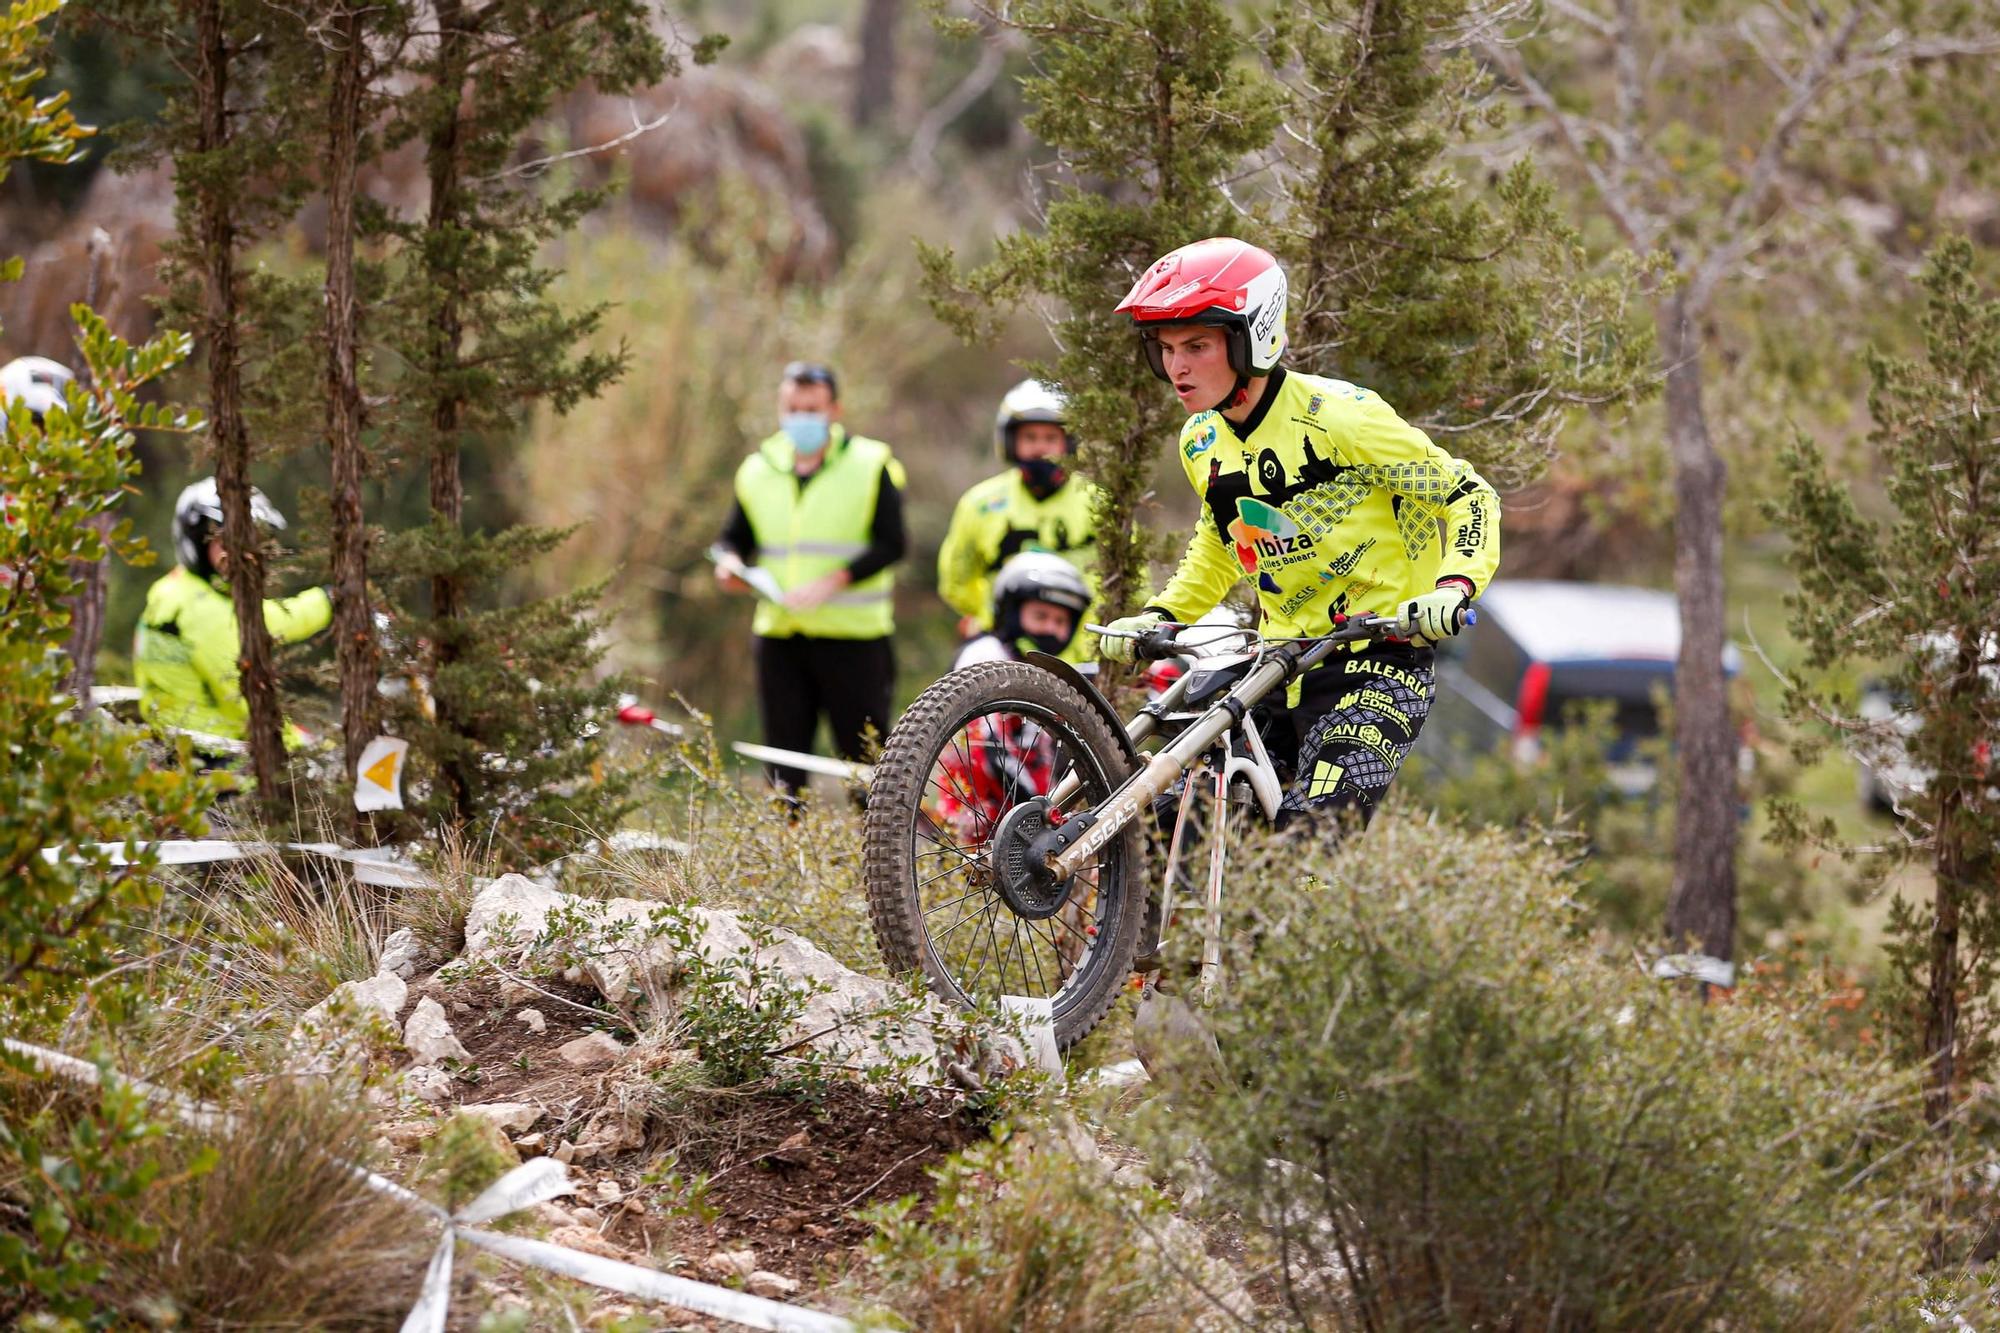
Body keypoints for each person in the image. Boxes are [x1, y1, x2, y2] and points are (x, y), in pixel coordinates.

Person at [1097, 237, 1501, 826]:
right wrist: (1162, 616)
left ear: (1249, 338)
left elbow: (1467, 495)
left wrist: (1453, 587)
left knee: (1312, 840)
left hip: (1378, 660)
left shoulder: (1344, 417)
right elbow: (1222, 543)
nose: (1176, 368)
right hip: (1276, 663)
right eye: (1164, 350)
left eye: (1197, 346)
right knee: (1169, 825)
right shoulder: (1201, 441)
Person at [715, 361, 907, 795]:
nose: (802, 418)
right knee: (783, 764)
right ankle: (787, 855)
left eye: (812, 409)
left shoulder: (871, 463)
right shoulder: (757, 469)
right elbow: (732, 538)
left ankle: (880, 857)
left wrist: (833, 581)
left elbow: (893, 544)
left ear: (834, 410)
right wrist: (727, 563)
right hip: (781, 639)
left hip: (854, 641)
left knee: (867, 767)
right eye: (793, 408)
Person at [133, 478, 332, 748]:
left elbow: (266, 619)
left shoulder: (179, 590)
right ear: (198, 544)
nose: (240, 553)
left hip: (186, 741)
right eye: (224, 541)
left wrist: (328, 602)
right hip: (209, 757)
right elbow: (249, 701)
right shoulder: (200, 610)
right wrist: (312, 751)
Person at [937, 379, 1103, 664]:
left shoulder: (1100, 505)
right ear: (1011, 442)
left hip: (1086, 659)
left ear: (1069, 442)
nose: (1040, 449)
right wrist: (990, 614)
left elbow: (1133, 584)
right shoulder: (980, 504)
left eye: (1050, 439)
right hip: (1003, 653)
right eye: (1030, 438)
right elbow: (956, 580)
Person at [952, 550, 1093, 669]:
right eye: (1040, 616)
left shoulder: (1063, 673)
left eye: (1060, 621)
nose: (1050, 628)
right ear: (1011, 614)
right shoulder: (986, 656)